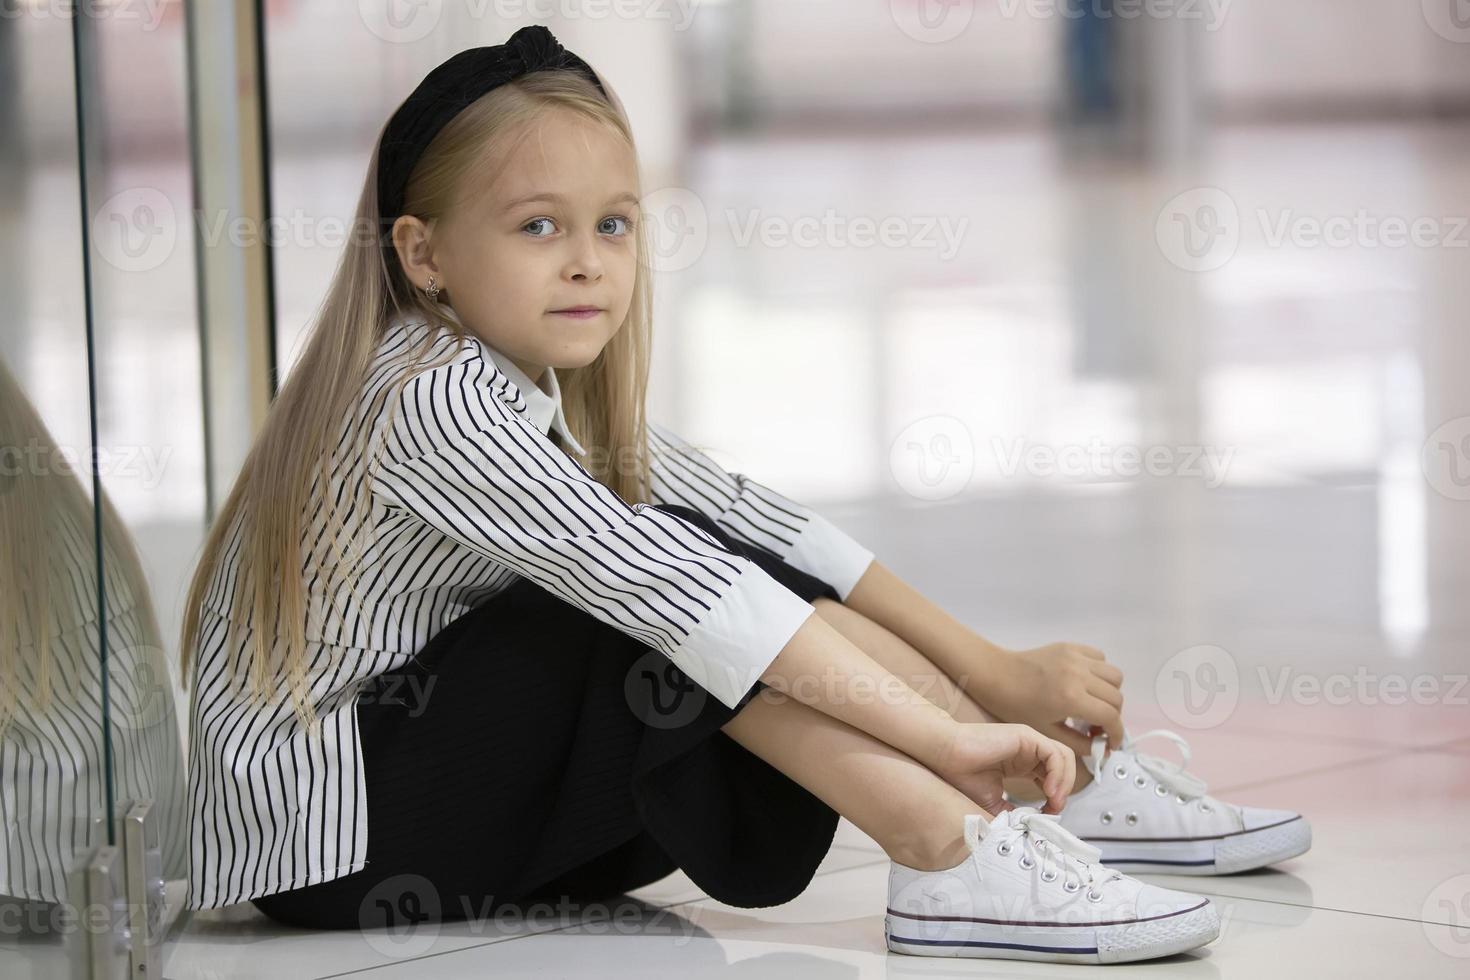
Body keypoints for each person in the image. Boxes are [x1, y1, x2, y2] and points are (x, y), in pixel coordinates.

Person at [174, 25, 1306, 964]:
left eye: (612, 223)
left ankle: (1048, 786)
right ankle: (948, 848)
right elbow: (679, 591)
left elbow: (768, 527)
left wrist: (988, 677)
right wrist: (939, 740)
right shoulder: (431, 398)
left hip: (415, 795)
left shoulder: (514, 378)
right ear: (422, 255)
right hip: (333, 842)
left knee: (709, 546)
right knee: (655, 603)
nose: (588, 260)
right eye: (538, 227)